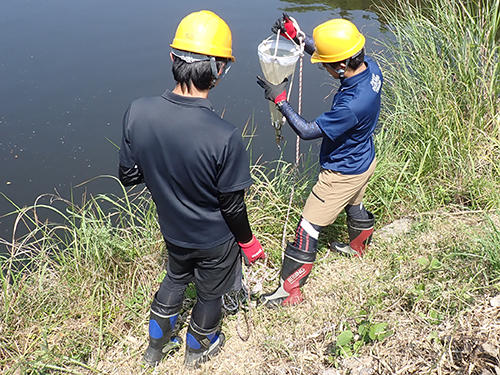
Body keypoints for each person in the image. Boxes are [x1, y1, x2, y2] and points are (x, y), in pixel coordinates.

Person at [118, 10, 266, 368]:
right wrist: (248, 243)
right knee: (210, 292)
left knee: (175, 277)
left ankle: (155, 348)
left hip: (173, 230)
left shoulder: (138, 112)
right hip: (214, 240)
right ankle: (199, 350)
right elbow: (232, 207)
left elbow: (128, 176)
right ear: (219, 71)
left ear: (173, 58)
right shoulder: (224, 135)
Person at [256, 14, 383, 308]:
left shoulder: (353, 105)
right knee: (355, 203)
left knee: (308, 227)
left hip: (341, 172)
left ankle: (290, 290)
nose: (323, 67)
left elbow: (307, 130)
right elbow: (337, 56)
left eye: (325, 64)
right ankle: (358, 246)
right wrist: (299, 38)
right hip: (364, 159)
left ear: (340, 66)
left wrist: (280, 100)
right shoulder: (370, 67)